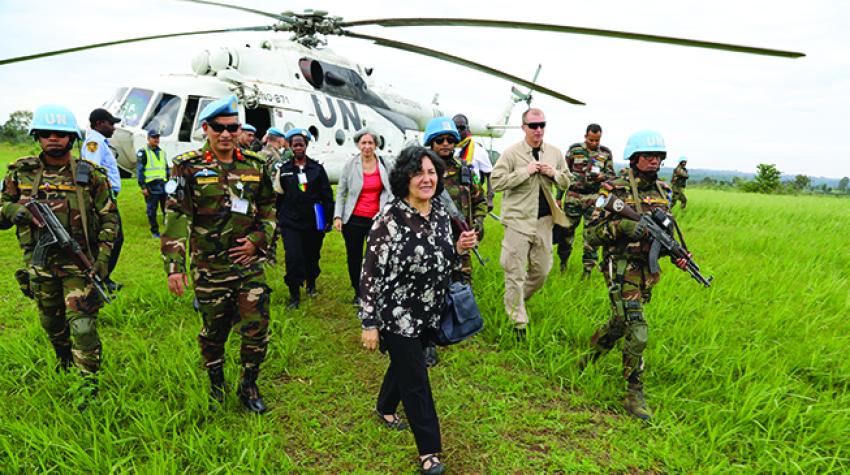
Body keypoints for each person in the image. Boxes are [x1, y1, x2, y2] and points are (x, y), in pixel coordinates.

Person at [359, 146, 477, 475]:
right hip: (397, 313)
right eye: (418, 173)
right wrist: (369, 322)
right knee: (417, 380)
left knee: (405, 364)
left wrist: (457, 248)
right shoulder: (389, 219)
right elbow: (369, 274)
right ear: (404, 178)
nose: (426, 179)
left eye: (431, 172)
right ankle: (430, 451)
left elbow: (439, 258)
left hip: (431, 309)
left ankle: (384, 407)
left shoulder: (439, 214)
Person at [161, 95, 276, 414]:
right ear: (205, 128)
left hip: (248, 266)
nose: (225, 134)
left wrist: (257, 240)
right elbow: (177, 216)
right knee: (214, 331)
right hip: (209, 268)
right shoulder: (188, 166)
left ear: (239, 129)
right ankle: (215, 382)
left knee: (256, 328)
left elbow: (268, 208)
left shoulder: (254, 165)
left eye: (232, 127)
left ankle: (249, 383)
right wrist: (174, 266)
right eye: (218, 127)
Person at [1, 105, 118, 408]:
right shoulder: (20, 173)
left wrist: (103, 260)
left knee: (83, 326)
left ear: (72, 138)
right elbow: (2, 210)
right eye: (46, 134)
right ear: (37, 137)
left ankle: (88, 386)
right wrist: (14, 210)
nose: (53, 139)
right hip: (40, 266)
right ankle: (63, 359)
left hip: (81, 265)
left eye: (61, 134)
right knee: (51, 322)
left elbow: (110, 220)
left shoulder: (89, 175)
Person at [580, 130, 688, 421]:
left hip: (644, 271)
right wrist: (624, 229)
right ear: (635, 157)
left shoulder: (664, 192)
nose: (654, 161)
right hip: (619, 266)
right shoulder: (614, 189)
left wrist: (673, 254)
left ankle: (589, 357)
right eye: (648, 156)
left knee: (619, 322)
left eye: (658, 156)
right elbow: (591, 234)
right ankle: (633, 392)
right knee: (637, 329)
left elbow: (663, 235)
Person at [491, 108, 572, 339]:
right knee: (514, 272)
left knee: (543, 270)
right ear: (524, 127)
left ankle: (515, 301)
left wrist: (554, 173)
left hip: (544, 222)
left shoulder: (555, 153)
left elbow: (567, 181)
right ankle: (518, 324)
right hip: (518, 220)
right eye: (533, 126)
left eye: (542, 125)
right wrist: (524, 172)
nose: (538, 130)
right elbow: (496, 183)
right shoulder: (511, 154)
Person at [423, 116, 487, 366]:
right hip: (431, 244)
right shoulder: (424, 172)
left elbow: (479, 201)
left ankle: (457, 329)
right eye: (440, 140)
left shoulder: (465, 170)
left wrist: (477, 226)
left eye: (451, 140)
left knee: (461, 287)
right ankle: (427, 342)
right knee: (430, 290)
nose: (446, 144)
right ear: (431, 143)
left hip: (462, 242)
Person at [270, 128, 334, 310]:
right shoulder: (283, 170)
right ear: (290, 147)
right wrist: (279, 219)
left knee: (312, 255)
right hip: (291, 222)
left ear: (306, 146)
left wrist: (327, 219)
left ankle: (311, 282)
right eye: (295, 145)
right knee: (293, 257)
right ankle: (294, 293)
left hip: (313, 221)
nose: (298, 147)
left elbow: (327, 195)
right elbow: (278, 196)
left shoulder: (317, 169)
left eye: (301, 144)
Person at [333, 127, 392, 305]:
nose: (367, 146)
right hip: (354, 220)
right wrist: (337, 217)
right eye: (364, 143)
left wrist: (388, 212)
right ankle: (358, 292)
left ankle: (375, 290)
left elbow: (392, 190)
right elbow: (341, 192)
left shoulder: (384, 164)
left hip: (377, 219)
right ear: (358, 144)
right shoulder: (350, 165)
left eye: (370, 143)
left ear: (376, 145)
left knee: (376, 257)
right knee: (355, 257)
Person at [555, 123, 614, 276]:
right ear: (585, 136)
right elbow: (564, 175)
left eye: (597, 140)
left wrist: (603, 177)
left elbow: (612, 177)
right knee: (566, 233)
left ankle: (587, 271)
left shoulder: (606, 153)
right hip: (573, 197)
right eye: (591, 140)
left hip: (594, 199)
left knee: (591, 236)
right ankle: (563, 264)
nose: (594, 143)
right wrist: (559, 198)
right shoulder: (575, 150)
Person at [81, 108, 123, 292]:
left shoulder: (101, 142)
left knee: (113, 237)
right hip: (102, 198)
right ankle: (100, 278)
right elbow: (93, 169)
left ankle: (103, 277)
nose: (114, 127)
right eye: (110, 123)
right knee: (113, 237)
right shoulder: (94, 142)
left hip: (108, 196)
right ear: (99, 123)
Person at [452, 113, 495, 211]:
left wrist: (489, 198)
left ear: (467, 128)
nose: (458, 130)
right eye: (455, 127)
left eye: (462, 127)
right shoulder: (446, 146)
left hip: (472, 196)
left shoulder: (477, 149)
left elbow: (489, 174)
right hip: (451, 197)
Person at [136, 129, 169, 238]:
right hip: (151, 185)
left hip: (163, 185)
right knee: (152, 210)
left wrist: (169, 183)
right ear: (148, 138)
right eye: (154, 137)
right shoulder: (143, 152)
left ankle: (168, 230)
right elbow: (140, 170)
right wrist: (143, 186)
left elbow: (166, 168)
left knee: (167, 208)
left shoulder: (162, 152)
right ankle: (155, 231)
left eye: (158, 137)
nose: (156, 139)